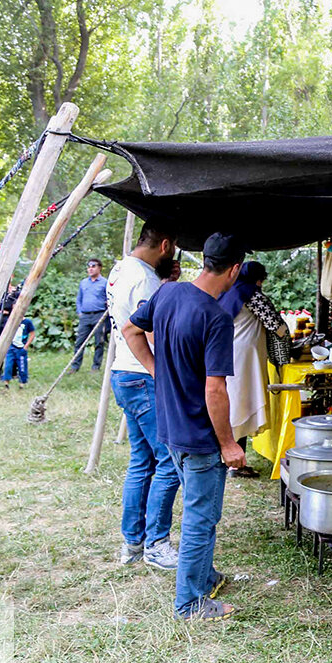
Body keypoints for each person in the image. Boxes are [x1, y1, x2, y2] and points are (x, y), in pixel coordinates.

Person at [122, 232, 247, 622]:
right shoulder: (215, 317)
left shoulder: (167, 293)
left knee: (201, 511)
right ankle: (190, 602)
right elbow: (215, 388)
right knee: (200, 517)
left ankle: (204, 576)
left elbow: (130, 331)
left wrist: (157, 370)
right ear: (235, 269)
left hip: (171, 428)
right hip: (199, 437)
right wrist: (228, 444)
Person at [107, 222, 182, 572]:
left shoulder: (121, 268)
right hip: (143, 376)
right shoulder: (146, 280)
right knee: (169, 461)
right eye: (176, 249)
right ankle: (157, 543)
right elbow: (149, 333)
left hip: (122, 371)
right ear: (165, 245)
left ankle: (132, 542)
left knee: (142, 461)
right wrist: (161, 372)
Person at [217, 259, 287, 478]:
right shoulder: (252, 295)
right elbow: (277, 325)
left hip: (227, 353)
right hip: (243, 358)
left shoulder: (227, 292)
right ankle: (234, 463)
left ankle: (232, 460)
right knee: (239, 405)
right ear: (258, 279)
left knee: (234, 405)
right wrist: (289, 340)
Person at [72, 258, 108, 372]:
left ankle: (96, 366)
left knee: (99, 342)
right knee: (79, 342)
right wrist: (80, 313)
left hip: (99, 315)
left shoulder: (105, 282)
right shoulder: (83, 283)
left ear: (99, 267)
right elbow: (79, 299)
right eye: (89, 266)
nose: (90, 268)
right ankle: (75, 366)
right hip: (85, 316)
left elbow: (109, 299)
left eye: (93, 266)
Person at [0, 314, 35, 388]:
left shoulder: (27, 322)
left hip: (21, 347)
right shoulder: (10, 321)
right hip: (11, 347)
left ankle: (22, 383)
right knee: (8, 365)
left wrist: (26, 346)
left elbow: (32, 334)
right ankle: (6, 383)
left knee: (22, 366)